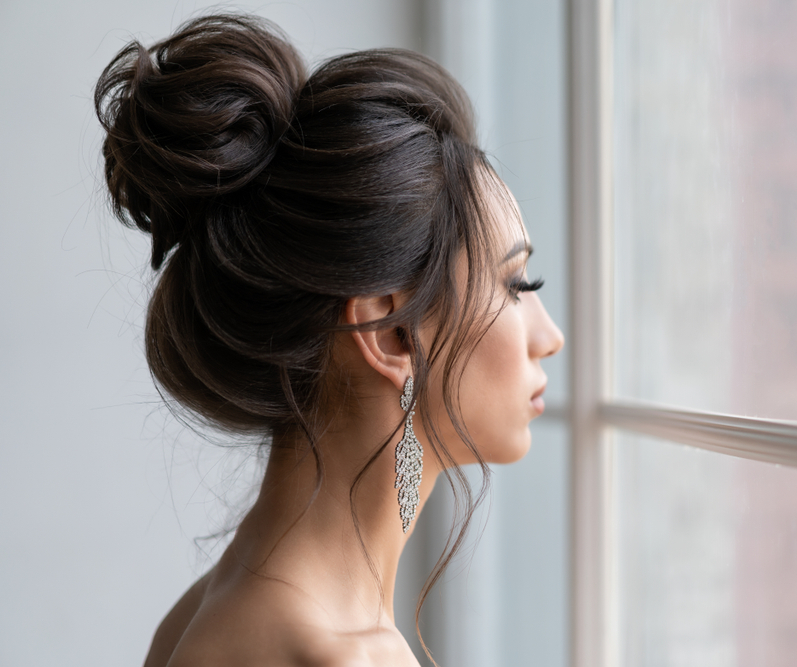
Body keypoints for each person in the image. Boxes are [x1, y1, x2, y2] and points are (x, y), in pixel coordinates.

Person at [94, 13, 564, 667]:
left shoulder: (210, 611)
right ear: (392, 329)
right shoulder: (342, 654)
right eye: (517, 283)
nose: (552, 336)